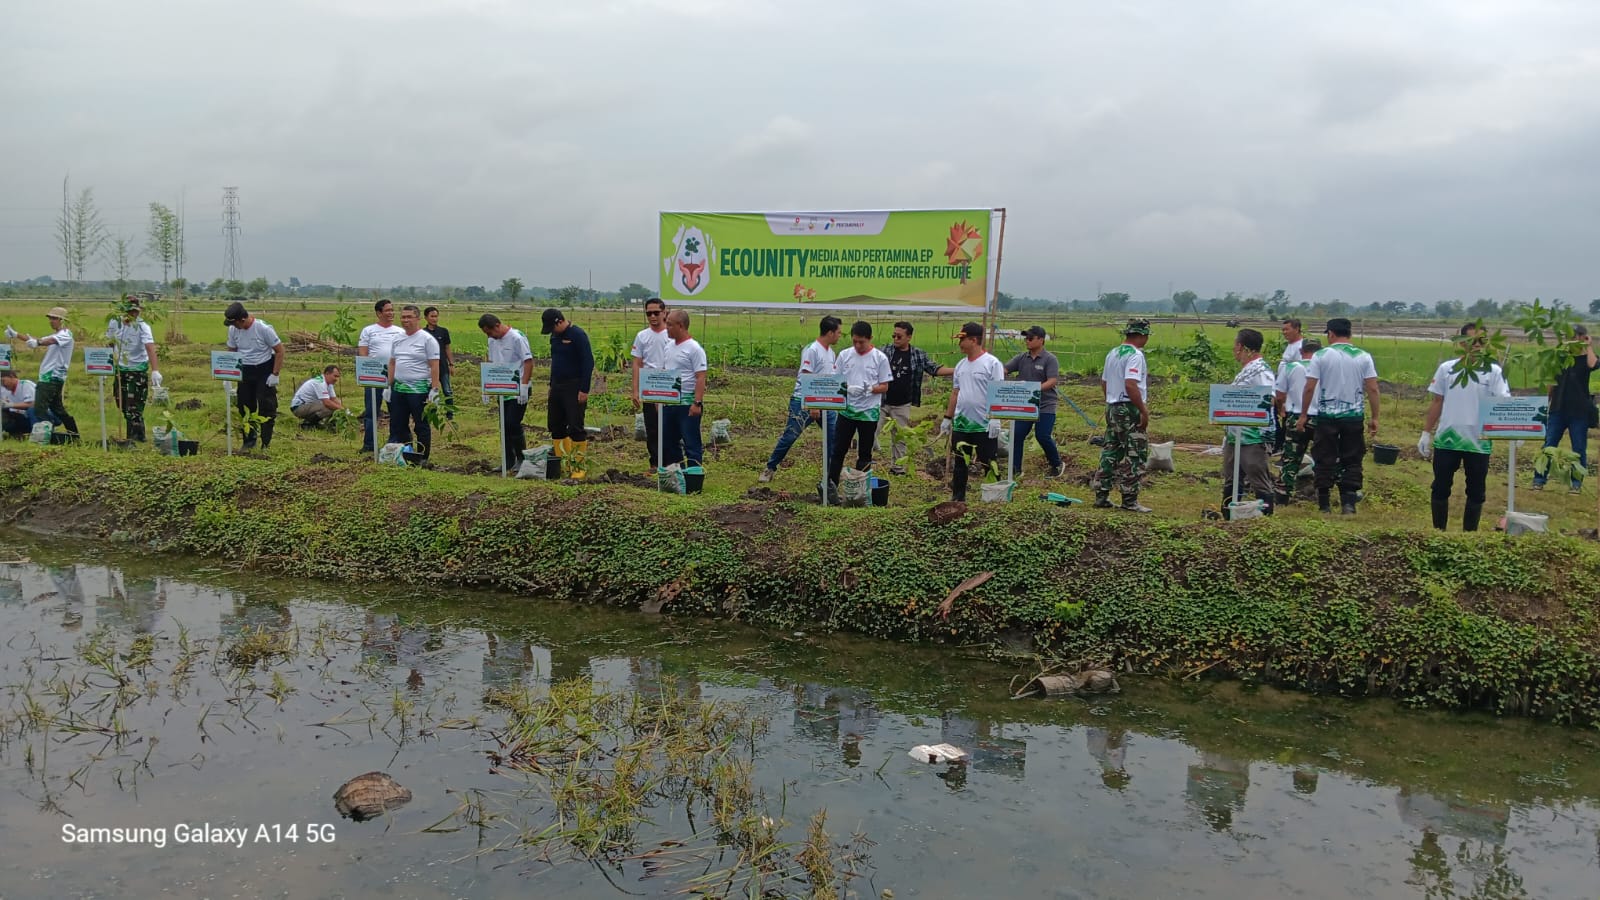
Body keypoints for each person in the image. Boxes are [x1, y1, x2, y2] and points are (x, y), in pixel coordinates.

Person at [1420, 324, 1510, 531]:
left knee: (1476, 491)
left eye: (1481, 341)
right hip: (1448, 438)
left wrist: (1515, 430)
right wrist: (1426, 432)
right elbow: (1437, 401)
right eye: (1472, 341)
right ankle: (1438, 531)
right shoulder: (1447, 369)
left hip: (1478, 440)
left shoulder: (1494, 371)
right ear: (1461, 343)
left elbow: (1503, 402)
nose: (1477, 346)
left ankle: (1469, 534)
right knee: (1441, 487)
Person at [1297, 317, 1379, 515]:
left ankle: (1324, 504)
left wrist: (1303, 414)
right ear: (1349, 333)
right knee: (1352, 457)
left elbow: (1309, 387)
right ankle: (1348, 503)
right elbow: (1373, 388)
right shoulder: (1364, 356)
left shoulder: (1321, 355)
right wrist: (1374, 417)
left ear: (1331, 334)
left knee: (1324, 456)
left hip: (1327, 416)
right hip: (1353, 417)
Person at [760, 316, 842, 483]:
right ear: (830, 332)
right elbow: (806, 375)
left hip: (826, 402)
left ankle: (830, 475)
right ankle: (770, 468)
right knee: (791, 435)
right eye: (839, 332)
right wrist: (812, 404)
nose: (840, 336)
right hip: (804, 401)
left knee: (833, 439)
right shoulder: (812, 350)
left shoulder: (831, 353)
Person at [940, 322, 1006, 502]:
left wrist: (995, 419)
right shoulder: (961, 366)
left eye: (962, 339)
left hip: (984, 425)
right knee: (960, 463)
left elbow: (997, 391)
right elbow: (955, 392)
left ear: (974, 340)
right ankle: (958, 499)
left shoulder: (992, 364)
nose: (959, 343)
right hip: (962, 424)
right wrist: (948, 418)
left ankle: (995, 498)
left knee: (989, 462)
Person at [1091, 319, 1152, 512]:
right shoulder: (1135, 355)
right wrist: (1142, 410)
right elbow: (1131, 384)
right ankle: (1129, 500)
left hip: (1112, 406)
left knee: (1111, 450)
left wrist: (1111, 400)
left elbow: (1104, 382)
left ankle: (1101, 495)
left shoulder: (1113, 353)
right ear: (1142, 336)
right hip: (1128, 407)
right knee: (1136, 453)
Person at [1532, 324, 1597, 493]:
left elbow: (1593, 364)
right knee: (1549, 444)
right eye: (1570, 336)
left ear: (1583, 337)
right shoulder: (1559, 357)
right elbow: (1551, 382)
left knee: (1579, 448)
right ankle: (1539, 479)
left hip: (1579, 411)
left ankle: (1576, 484)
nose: (1572, 339)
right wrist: (1546, 402)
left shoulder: (1585, 359)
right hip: (1558, 408)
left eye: (1576, 336)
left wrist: (1588, 346)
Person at [1222, 329, 1279, 516]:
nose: (1233, 349)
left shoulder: (1261, 369)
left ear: (1241, 347)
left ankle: (1266, 514)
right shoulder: (1248, 369)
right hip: (1236, 433)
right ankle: (1228, 513)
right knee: (1231, 475)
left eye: (1235, 345)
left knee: (1256, 472)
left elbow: (1269, 397)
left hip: (1253, 435)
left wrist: (1244, 405)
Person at [829, 321, 892, 492]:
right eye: (854, 341)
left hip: (868, 413)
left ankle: (860, 490)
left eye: (861, 342)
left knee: (865, 453)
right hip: (847, 411)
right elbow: (836, 380)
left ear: (870, 339)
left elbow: (885, 385)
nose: (858, 345)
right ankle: (831, 486)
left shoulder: (880, 358)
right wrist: (847, 388)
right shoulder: (844, 355)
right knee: (838, 450)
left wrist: (870, 389)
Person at [877, 320, 944, 475]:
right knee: (871, 432)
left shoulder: (917, 354)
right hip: (882, 401)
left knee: (900, 436)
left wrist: (958, 370)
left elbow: (933, 369)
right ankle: (865, 463)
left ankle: (898, 469)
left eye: (899, 336)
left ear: (909, 337)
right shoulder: (885, 351)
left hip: (902, 403)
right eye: (893, 335)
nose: (895, 339)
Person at [223, 302, 285, 451]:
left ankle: (266, 442)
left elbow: (280, 351)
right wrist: (228, 374)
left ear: (242, 320)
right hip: (245, 370)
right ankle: (249, 440)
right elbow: (232, 350)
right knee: (245, 406)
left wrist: (275, 374)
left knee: (266, 406)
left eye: (235, 323)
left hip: (264, 369)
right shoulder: (233, 329)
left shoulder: (263, 329)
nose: (234, 327)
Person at [1004, 325, 1065, 477]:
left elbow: (1051, 381)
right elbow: (1004, 369)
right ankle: (1015, 468)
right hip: (1025, 405)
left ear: (1041, 340)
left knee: (1042, 435)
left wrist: (1034, 390)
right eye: (1026, 338)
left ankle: (1056, 464)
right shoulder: (1021, 358)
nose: (1027, 341)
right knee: (1017, 435)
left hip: (1045, 404)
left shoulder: (1050, 359)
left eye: (1030, 338)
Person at [542, 308, 595, 479]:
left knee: (575, 426)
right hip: (557, 386)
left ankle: (578, 466)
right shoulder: (554, 337)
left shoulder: (577, 335)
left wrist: (584, 389)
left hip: (574, 386)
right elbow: (555, 362)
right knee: (555, 425)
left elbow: (588, 362)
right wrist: (551, 384)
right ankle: (562, 462)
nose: (552, 332)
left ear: (559, 321)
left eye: (552, 327)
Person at [385, 305, 442, 458]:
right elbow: (392, 362)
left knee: (421, 425)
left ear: (417, 318)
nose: (405, 320)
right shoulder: (397, 338)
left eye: (409, 317)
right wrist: (388, 385)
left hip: (419, 390)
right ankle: (405, 454)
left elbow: (434, 365)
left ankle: (422, 456)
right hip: (399, 389)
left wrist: (434, 389)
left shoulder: (427, 340)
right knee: (399, 424)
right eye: (403, 317)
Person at [479, 313, 535, 471]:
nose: (489, 336)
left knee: (512, 423)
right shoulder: (492, 340)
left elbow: (529, 362)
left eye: (489, 332)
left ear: (497, 325)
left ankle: (521, 458)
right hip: (501, 387)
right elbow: (491, 362)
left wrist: (524, 386)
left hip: (518, 388)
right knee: (504, 425)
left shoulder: (517, 337)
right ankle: (508, 460)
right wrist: (487, 386)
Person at [15, 307, 80, 435]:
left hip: (51, 378)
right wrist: (17, 335)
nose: (51, 321)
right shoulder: (56, 334)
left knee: (39, 409)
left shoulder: (66, 334)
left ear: (62, 320)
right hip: (49, 377)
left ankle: (47, 433)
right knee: (57, 409)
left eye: (54, 318)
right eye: (50, 318)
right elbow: (37, 340)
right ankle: (74, 434)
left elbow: (46, 341)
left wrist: (37, 342)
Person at [106, 298, 161, 441]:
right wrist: (106, 366)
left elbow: (150, 347)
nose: (132, 315)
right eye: (129, 311)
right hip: (120, 370)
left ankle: (136, 438)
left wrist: (155, 370)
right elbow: (110, 344)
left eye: (135, 312)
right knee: (122, 404)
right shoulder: (114, 323)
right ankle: (135, 436)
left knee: (134, 407)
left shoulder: (143, 327)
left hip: (137, 371)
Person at [660, 310, 708, 468]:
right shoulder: (668, 347)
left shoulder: (694, 349)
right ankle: (676, 474)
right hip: (670, 402)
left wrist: (697, 402)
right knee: (668, 441)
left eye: (669, 325)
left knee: (691, 442)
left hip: (687, 403)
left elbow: (701, 376)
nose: (666, 327)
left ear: (681, 326)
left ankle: (694, 476)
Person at [356, 299, 404, 453]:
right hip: (374, 376)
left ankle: (394, 442)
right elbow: (363, 352)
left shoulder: (399, 332)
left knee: (396, 411)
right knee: (371, 411)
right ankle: (369, 444)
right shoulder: (369, 330)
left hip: (394, 376)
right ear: (378, 313)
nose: (391, 313)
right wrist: (366, 370)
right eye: (387, 310)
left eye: (392, 310)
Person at [630, 298, 673, 470]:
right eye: (649, 313)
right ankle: (655, 462)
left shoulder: (672, 335)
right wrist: (635, 390)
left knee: (669, 425)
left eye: (656, 313)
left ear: (664, 312)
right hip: (650, 384)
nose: (653, 317)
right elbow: (637, 363)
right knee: (652, 426)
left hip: (669, 383)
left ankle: (671, 461)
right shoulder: (642, 336)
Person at [1276, 339, 1319, 502]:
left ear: (1301, 352)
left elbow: (1279, 395)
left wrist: (1282, 408)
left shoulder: (1291, 367)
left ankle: (1282, 495)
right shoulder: (1325, 369)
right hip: (1319, 419)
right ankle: (1323, 495)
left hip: (1295, 415)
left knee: (1291, 458)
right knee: (1325, 456)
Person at [423, 306, 454, 418]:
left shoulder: (443, 331)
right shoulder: (423, 333)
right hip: (428, 368)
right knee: (429, 390)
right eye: (432, 316)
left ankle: (450, 413)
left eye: (436, 316)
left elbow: (447, 348)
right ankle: (432, 412)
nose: (434, 319)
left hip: (443, 366)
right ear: (426, 317)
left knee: (447, 390)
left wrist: (451, 364)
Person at [1, 371, 36, 438]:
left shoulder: (26, 384)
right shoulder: (7, 392)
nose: (3, 384)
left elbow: (33, 404)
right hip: (22, 418)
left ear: (12, 376)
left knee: (31, 410)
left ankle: (36, 434)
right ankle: (15, 433)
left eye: (3, 381)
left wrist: (10, 405)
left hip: (37, 417)